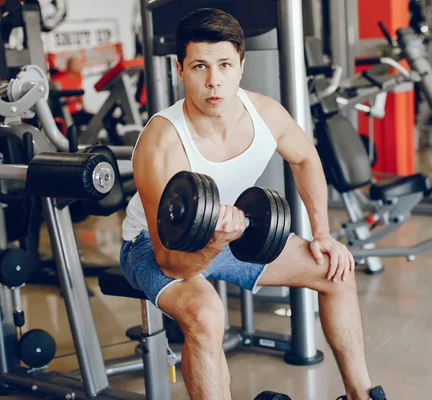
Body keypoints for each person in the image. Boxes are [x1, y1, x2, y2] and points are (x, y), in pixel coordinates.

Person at [120, 8, 385, 400]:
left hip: (230, 230)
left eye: (225, 64)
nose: (214, 81)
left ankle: (361, 394)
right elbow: (170, 261)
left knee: (335, 270)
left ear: (241, 66)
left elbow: (306, 158)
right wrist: (214, 243)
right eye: (199, 67)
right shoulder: (162, 143)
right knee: (206, 316)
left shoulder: (265, 114)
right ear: (180, 71)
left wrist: (322, 233)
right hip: (152, 245)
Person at [50, 56, 93, 129]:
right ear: (71, 65)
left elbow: (80, 94)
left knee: (96, 119)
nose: (81, 66)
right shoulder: (57, 80)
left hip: (76, 112)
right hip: (63, 114)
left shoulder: (79, 77)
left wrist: (84, 108)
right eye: (78, 64)